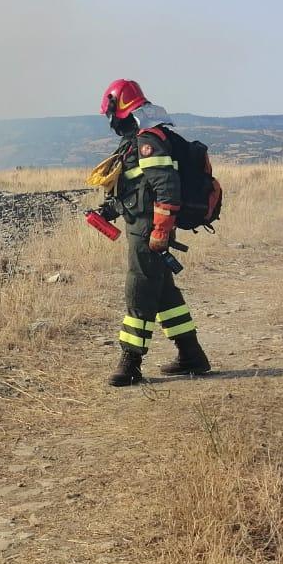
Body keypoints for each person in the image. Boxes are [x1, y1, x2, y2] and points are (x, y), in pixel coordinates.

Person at [99, 79, 212, 386]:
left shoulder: (149, 139)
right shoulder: (139, 139)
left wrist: (161, 230)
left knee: (139, 290)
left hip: (149, 230)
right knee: (164, 294)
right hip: (142, 224)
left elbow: (167, 188)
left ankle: (130, 362)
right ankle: (191, 354)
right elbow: (137, 186)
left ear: (119, 110)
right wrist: (108, 211)